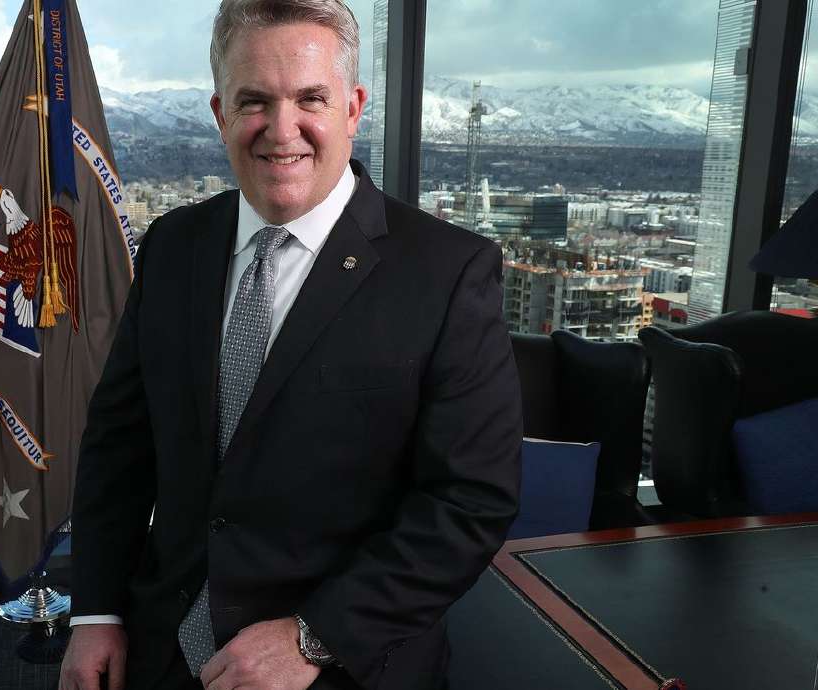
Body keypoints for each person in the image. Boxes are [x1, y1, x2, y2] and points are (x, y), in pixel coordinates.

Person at [60, 1, 522, 688]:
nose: (282, 131)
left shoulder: (448, 274)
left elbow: (470, 502)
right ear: (221, 112)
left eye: (310, 98)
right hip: (162, 651)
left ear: (353, 107)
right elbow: (118, 445)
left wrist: (315, 637)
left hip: (343, 666)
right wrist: (94, 610)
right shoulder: (173, 245)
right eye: (254, 101)